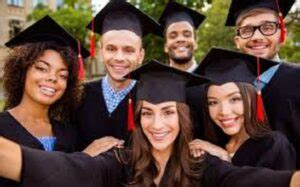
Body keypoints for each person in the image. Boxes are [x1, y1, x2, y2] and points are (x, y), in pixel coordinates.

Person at [0, 59, 297, 187]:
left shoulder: (201, 164)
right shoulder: (120, 161)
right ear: (137, 118)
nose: (157, 124)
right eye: (147, 112)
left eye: (168, 112)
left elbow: (256, 180)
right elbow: (71, 172)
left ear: (182, 117)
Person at [0, 15, 89, 186]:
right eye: (42, 68)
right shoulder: (2, 127)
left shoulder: (70, 133)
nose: (52, 78)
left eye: (62, 75)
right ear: (22, 71)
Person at [73, 0, 161, 152]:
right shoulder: (79, 95)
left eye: (128, 50)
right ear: (101, 52)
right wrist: (85, 155)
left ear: (140, 55)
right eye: (111, 49)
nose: (119, 57)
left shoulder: (154, 98)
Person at [189, 48, 296, 170]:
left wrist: (225, 159)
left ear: (252, 99)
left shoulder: (273, 145)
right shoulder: (211, 144)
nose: (224, 111)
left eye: (234, 99)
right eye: (213, 102)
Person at [225, 0, 300, 168]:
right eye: (247, 30)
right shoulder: (227, 87)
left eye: (267, 28)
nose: (257, 37)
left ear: (281, 34)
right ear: (237, 41)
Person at [158, 1, 205, 72]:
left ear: (195, 43)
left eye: (187, 35)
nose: (180, 39)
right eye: (173, 36)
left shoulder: (213, 80)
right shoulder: (157, 82)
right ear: (165, 47)